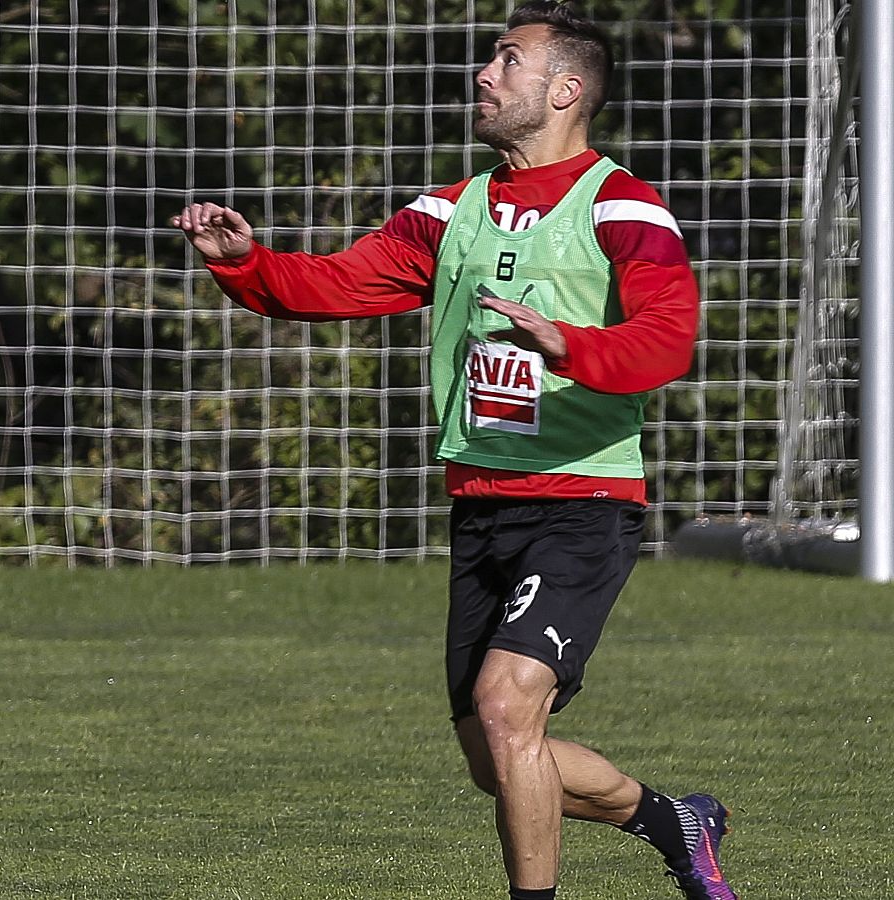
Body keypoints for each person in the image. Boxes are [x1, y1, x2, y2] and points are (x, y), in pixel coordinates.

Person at [173, 3, 736, 899]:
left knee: (508, 709)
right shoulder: (451, 208)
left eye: (508, 61)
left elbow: (668, 342)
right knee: (498, 753)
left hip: (583, 502)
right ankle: (676, 821)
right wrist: (247, 262)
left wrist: (572, 347)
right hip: (480, 502)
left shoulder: (623, 202)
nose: (485, 75)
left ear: (566, 89)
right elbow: (337, 284)